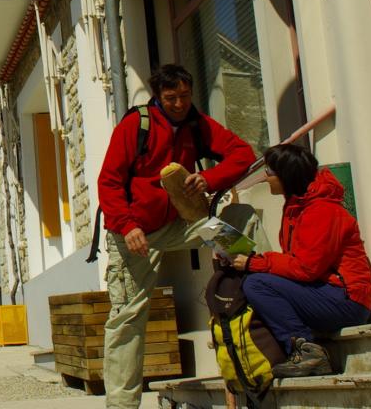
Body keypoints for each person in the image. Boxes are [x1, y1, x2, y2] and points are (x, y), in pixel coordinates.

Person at [97, 63, 257, 409]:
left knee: (240, 227)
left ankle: (267, 283)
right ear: (158, 96)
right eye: (171, 98)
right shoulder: (135, 126)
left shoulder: (197, 124)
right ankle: (121, 405)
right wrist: (128, 226)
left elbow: (243, 154)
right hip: (135, 232)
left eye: (185, 96)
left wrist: (210, 178)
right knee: (128, 316)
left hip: (184, 221)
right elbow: (108, 182)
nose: (180, 104)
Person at [232, 143, 371, 377]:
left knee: (257, 283)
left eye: (269, 172)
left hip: (347, 300)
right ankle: (296, 348)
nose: (265, 178)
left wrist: (256, 263)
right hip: (327, 291)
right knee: (254, 278)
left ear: (286, 176)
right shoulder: (297, 207)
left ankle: (308, 352)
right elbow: (298, 263)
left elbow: (306, 268)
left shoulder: (322, 210)